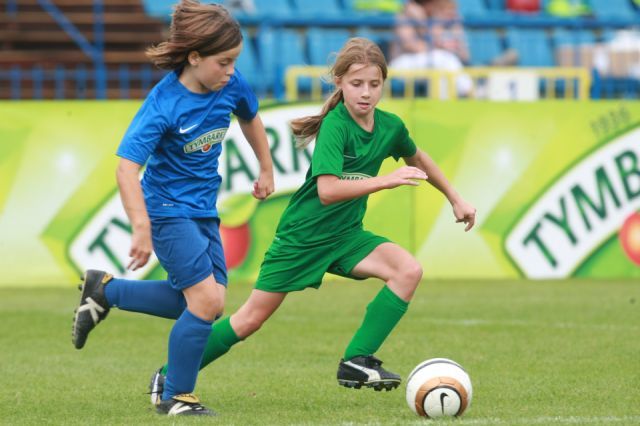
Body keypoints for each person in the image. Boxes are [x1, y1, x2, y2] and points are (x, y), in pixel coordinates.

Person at [147, 36, 477, 403]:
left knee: (408, 271)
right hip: (302, 237)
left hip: (346, 235)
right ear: (339, 83)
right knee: (249, 319)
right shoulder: (336, 125)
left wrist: (455, 198)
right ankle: (169, 375)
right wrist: (385, 180)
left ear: (384, 83)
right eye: (356, 83)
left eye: (374, 84)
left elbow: (419, 158)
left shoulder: (390, 126)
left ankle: (356, 360)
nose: (366, 92)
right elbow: (327, 190)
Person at [70, 0, 274, 416]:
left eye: (235, 61)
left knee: (207, 303)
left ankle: (106, 291)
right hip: (166, 211)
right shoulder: (163, 104)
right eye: (223, 62)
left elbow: (250, 116)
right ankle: (176, 397)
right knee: (204, 301)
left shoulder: (230, 85)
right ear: (194, 57)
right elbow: (126, 169)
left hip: (203, 210)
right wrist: (141, 226)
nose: (231, 70)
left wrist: (266, 167)